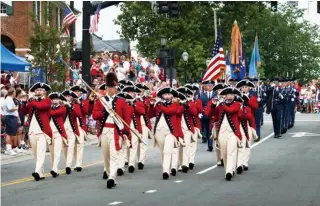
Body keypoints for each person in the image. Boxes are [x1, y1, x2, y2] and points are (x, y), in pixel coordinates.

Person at [92, 72, 130, 189]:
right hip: (104, 131)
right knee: (106, 156)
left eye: (112, 88)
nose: (109, 90)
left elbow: (126, 119)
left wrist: (125, 133)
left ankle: (112, 177)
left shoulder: (121, 101)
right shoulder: (101, 101)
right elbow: (94, 115)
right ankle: (109, 173)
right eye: (108, 87)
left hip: (115, 131)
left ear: (116, 88)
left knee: (114, 155)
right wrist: (103, 112)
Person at [148, 87, 181, 180]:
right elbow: (150, 115)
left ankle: (165, 171)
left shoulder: (174, 105)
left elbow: (168, 111)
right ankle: (167, 167)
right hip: (159, 131)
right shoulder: (158, 105)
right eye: (165, 94)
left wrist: (159, 105)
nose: (167, 96)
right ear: (162, 96)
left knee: (167, 151)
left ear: (172, 96)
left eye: (169, 94)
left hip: (170, 131)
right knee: (163, 151)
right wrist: (151, 106)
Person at [210, 87, 242, 181]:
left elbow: (231, 110)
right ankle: (229, 169)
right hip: (222, 132)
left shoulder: (237, 104)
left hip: (233, 132)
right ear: (225, 96)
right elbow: (213, 115)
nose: (230, 96)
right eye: (228, 95)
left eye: (232, 95)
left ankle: (229, 171)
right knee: (224, 153)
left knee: (231, 151)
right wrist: (213, 105)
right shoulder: (221, 105)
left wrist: (222, 104)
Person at [26, 82, 52, 181]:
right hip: (32, 130)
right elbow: (24, 110)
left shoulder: (47, 100)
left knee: (41, 152)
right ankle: (41, 173)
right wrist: (26, 101)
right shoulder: (33, 101)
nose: (38, 91)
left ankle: (36, 171)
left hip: (42, 131)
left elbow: (41, 107)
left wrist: (32, 100)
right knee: (36, 153)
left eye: (40, 90)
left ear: (45, 92)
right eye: (37, 90)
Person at [69, 85, 95, 172]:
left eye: (78, 91)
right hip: (71, 125)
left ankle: (78, 163)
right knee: (72, 145)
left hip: (80, 125)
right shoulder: (69, 102)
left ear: (81, 93)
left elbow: (87, 112)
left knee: (80, 144)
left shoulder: (84, 101)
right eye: (75, 91)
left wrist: (80, 103)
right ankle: (74, 161)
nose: (77, 93)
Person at [61, 90, 82, 175]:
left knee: (71, 147)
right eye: (66, 96)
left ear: (72, 98)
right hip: (63, 129)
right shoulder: (61, 106)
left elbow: (78, 114)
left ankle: (68, 166)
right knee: (65, 148)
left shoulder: (75, 105)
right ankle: (67, 162)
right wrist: (63, 106)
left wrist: (71, 107)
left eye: (69, 96)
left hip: (72, 130)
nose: (67, 98)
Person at [48, 92, 67, 178]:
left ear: (59, 100)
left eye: (56, 99)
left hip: (59, 132)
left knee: (57, 151)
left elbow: (54, 113)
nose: (55, 101)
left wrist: (48, 109)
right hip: (50, 132)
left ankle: (55, 169)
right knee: (52, 152)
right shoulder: (49, 108)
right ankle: (55, 168)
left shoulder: (63, 108)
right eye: (53, 99)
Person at [2, 88, 19, 156]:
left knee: (11, 133)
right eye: (15, 92)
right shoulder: (9, 99)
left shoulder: (9, 99)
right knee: (9, 134)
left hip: (10, 117)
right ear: (13, 92)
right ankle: (8, 149)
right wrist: (16, 107)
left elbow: (3, 108)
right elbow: (10, 109)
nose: (15, 93)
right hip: (10, 117)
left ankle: (9, 148)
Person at [199, 80, 215, 151]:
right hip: (205, 115)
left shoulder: (215, 94)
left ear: (213, 86)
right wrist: (200, 112)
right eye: (208, 86)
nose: (209, 87)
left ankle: (210, 144)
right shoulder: (202, 95)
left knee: (211, 129)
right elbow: (200, 104)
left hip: (213, 115)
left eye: (211, 86)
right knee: (207, 130)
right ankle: (208, 143)